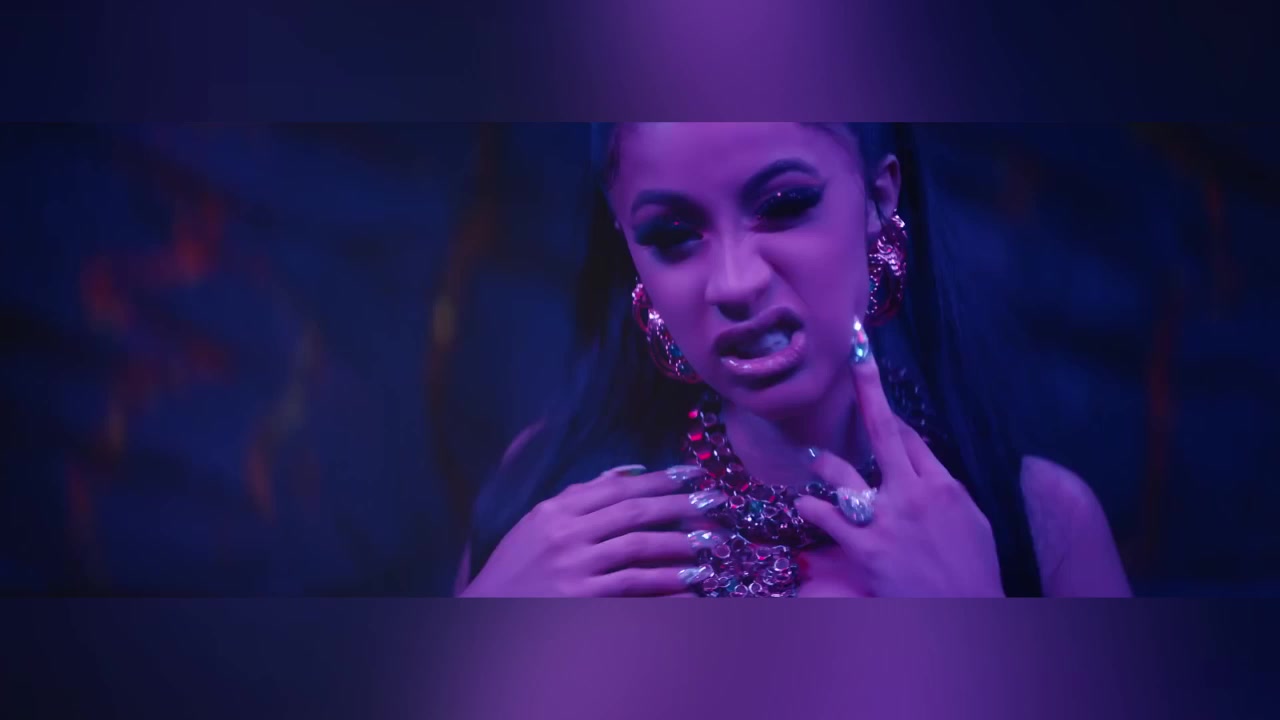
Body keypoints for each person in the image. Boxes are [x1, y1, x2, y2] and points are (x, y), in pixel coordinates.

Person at [456, 123, 1131, 598]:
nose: (734, 283)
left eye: (784, 206)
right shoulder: (550, 495)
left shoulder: (1045, 523)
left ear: (879, 197)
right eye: (672, 235)